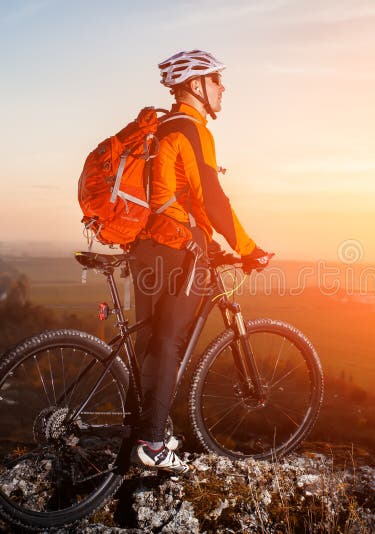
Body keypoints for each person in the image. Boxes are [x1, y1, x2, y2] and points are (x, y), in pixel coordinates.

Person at [129, 49, 272, 473]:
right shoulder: (191, 129)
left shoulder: (160, 129)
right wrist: (248, 248)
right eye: (215, 80)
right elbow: (211, 197)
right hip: (175, 249)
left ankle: (142, 429)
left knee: (151, 341)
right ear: (195, 86)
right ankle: (153, 444)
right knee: (169, 342)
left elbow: (177, 198)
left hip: (146, 248)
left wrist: (208, 242)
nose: (222, 88)